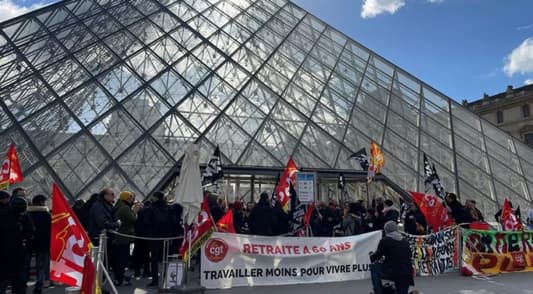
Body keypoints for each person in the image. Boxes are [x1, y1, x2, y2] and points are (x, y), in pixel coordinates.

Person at [0, 191, 34, 294]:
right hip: (17, 252)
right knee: (19, 281)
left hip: (2, 254)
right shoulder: (20, 215)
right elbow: (30, 232)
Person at [370, 221, 413, 294]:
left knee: (374, 267)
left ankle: (379, 291)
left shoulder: (385, 240)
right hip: (407, 273)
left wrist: (371, 256)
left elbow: (376, 256)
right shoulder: (405, 241)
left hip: (393, 271)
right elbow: (409, 255)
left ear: (386, 230)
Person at [112, 191, 140, 286]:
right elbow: (133, 219)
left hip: (118, 237)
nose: (133, 200)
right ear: (127, 199)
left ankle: (118, 278)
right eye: (132, 198)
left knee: (118, 258)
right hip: (123, 237)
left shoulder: (119, 206)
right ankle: (119, 279)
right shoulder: (124, 208)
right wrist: (135, 211)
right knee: (122, 259)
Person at [28, 195, 52, 294]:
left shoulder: (28, 214)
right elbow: (51, 229)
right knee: (43, 263)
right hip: (44, 243)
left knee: (31, 264)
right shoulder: (46, 215)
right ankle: (41, 281)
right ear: (42, 202)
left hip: (32, 243)